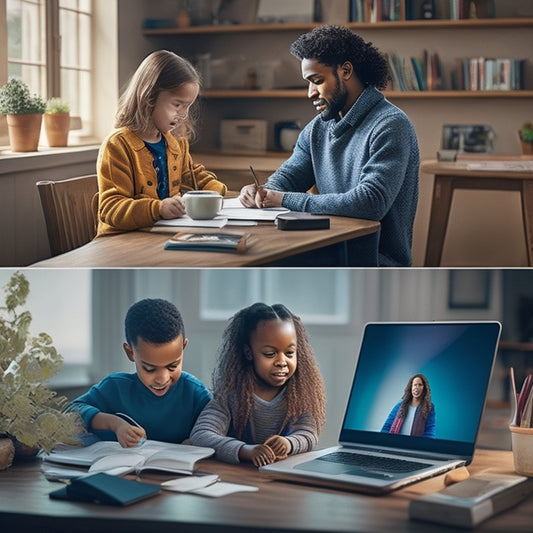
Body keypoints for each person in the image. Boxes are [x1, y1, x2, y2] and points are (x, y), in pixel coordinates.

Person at [239, 25, 419, 266]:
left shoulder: (391, 125)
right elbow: (289, 177)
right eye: (308, 82)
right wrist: (262, 192)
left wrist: (280, 199)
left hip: (372, 263)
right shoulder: (317, 129)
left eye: (317, 81)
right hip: (325, 246)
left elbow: (370, 202)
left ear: (346, 70)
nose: (310, 93)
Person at [95, 50, 227, 237]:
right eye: (177, 104)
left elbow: (193, 177)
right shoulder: (118, 145)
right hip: (122, 241)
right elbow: (110, 208)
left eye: (188, 106)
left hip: (162, 235)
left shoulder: (176, 143)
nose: (184, 114)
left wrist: (219, 192)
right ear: (149, 97)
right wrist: (157, 208)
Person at [190, 302, 326, 467]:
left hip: (281, 479)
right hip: (239, 477)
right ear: (248, 352)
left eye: (290, 353)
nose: (282, 362)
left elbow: (309, 434)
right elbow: (200, 435)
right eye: (270, 354)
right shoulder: (230, 395)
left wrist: (288, 443)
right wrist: (244, 450)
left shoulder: (299, 395)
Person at [67, 298, 211, 447]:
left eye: (172, 366)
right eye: (150, 369)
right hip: (123, 469)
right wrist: (115, 424)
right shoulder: (115, 388)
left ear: (183, 347)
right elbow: (71, 411)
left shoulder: (195, 394)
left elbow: (216, 433)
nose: (162, 379)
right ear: (130, 353)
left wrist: (194, 442)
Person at [381, 374, 436, 438]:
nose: (416, 387)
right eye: (414, 385)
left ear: (424, 388)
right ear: (411, 387)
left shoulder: (429, 408)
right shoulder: (399, 406)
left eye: (420, 385)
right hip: (396, 445)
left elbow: (430, 432)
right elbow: (386, 427)